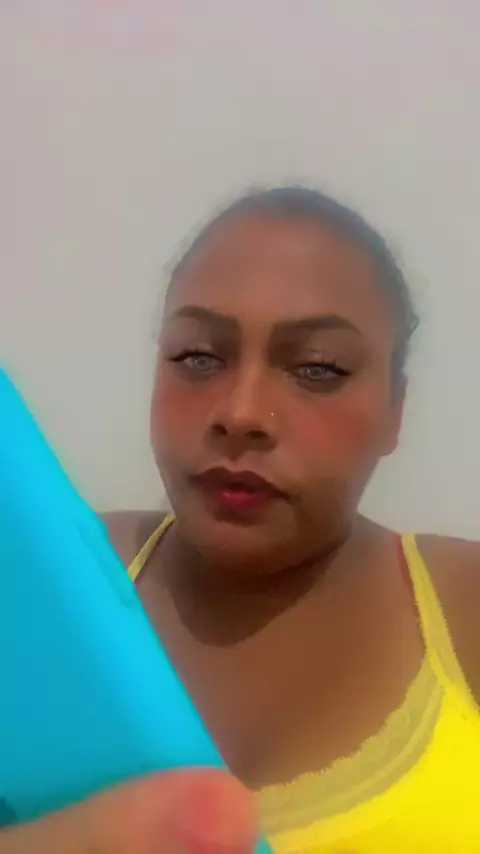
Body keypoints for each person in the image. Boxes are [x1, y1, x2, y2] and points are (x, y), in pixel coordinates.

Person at [5, 185, 480, 853]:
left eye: (317, 368)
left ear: (395, 410)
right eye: (198, 358)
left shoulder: (463, 615)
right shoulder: (51, 589)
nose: (242, 412)